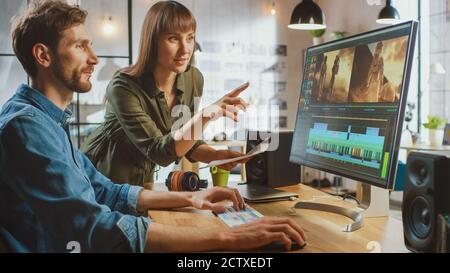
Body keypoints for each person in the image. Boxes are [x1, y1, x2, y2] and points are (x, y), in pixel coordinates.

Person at [0, 0, 306, 253]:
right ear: (43, 55)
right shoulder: (27, 127)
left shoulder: (48, 121)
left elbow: (105, 191)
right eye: (80, 46)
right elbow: (93, 227)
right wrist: (232, 237)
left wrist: (193, 196)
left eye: (90, 45)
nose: (94, 59)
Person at [81, 1, 248, 186]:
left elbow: (182, 138)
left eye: (190, 37)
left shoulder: (193, 79)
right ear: (152, 41)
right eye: (173, 39)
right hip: (99, 180)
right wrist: (206, 115)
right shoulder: (123, 86)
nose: (185, 49)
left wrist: (215, 156)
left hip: (143, 184)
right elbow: (159, 151)